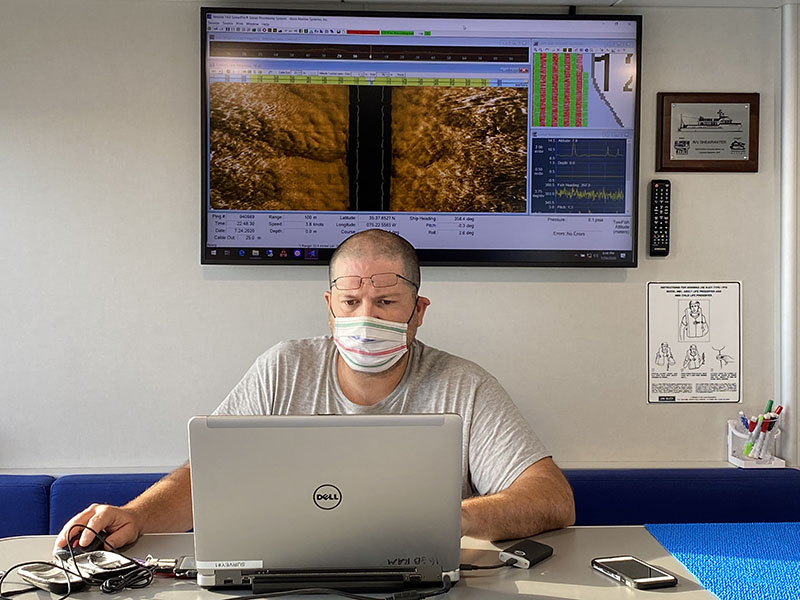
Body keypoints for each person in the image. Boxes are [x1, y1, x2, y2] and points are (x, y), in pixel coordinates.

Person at [55, 229, 575, 552]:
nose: (366, 317)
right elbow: (212, 475)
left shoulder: (464, 385)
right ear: (330, 309)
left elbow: (551, 500)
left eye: (387, 301)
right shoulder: (284, 367)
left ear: (418, 312)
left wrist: (444, 518)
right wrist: (137, 514)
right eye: (350, 303)